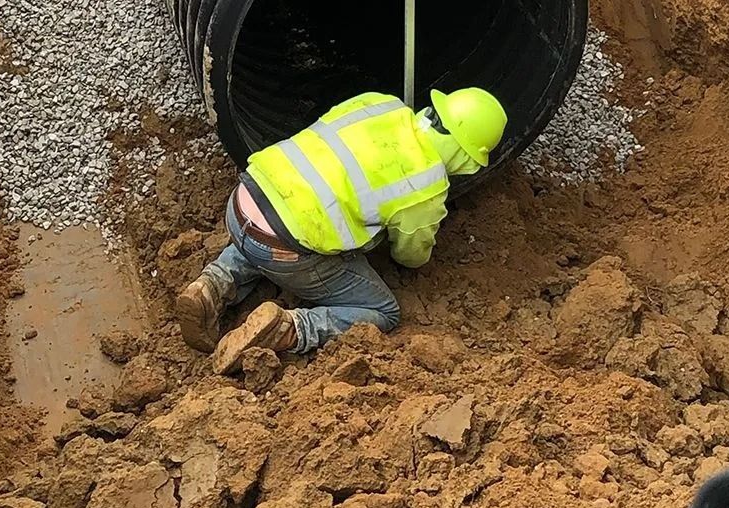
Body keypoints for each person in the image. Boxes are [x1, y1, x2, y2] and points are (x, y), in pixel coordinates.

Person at [176, 86, 507, 363]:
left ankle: (211, 284)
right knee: (383, 311)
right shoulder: (428, 185)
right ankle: (289, 328)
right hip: (287, 249)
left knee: (272, 228)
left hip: (243, 201)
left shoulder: (381, 103)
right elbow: (411, 255)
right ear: (467, 155)